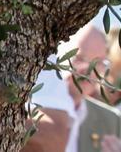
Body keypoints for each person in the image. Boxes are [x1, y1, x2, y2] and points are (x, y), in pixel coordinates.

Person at [26, 23, 121, 152]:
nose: (89, 70)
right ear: (59, 56)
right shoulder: (23, 105)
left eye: (98, 63)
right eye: (80, 58)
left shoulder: (111, 120)